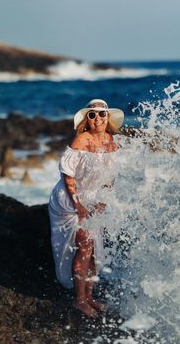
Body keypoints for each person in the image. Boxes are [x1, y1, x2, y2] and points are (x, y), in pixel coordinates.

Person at [48, 99, 123, 317]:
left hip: (91, 198)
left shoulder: (111, 141)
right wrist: (77, 203)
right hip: (69, 199)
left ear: (108, 117)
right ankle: (79, 300)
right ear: (87, 118)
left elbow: (110, 178)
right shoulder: (81, 139)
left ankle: (89, 296)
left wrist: (104, 200)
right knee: (85, 245)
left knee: (91, 249)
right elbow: (67, 174)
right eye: (93, 115)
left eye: (102, 114)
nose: (98, 118)